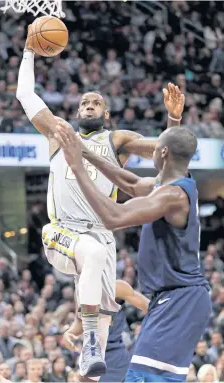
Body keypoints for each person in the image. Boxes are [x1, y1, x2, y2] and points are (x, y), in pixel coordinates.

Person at [16, 26, 184, 379]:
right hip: (62, 233)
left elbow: (163, 153)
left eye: (96, 103)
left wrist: (173, 120)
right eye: (84, 103)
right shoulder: (59, 133)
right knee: (89, 255)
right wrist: (30, 51)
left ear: (106, 115)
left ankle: (92, 347)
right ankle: (90, 335)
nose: (89, 105)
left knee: (97, 363)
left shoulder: (117, 140)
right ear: (77, 113)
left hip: (102, 238)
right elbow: (24, 93)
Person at [54, 120, 212, 382]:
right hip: (175, 298)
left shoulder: (172, 196)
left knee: (143, 379)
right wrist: (83, 151)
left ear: (162, 153)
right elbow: (128, 181)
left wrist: (76, 167)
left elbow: (114, 217)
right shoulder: (171, 185)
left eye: (155, 147)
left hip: (180, 299)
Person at [63, 280, 149, 383]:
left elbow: (150, 307)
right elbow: (79, 322)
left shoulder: (116, 287)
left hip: (114, 355)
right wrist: (69, 333)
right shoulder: (81, 288)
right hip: (91, 355)